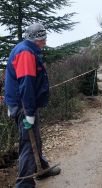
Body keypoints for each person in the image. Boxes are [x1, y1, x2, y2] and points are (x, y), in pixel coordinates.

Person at [4, 23, 61, 188]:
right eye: (43, 38)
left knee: (35, 138)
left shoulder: (27, 49)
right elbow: (26, 84)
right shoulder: (26, 53)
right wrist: (28, 112)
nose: (45, 41)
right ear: (37, 39)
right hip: (24, 105)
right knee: (28, 143)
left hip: (24, 104)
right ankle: (24, 184)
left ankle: (41, 169)